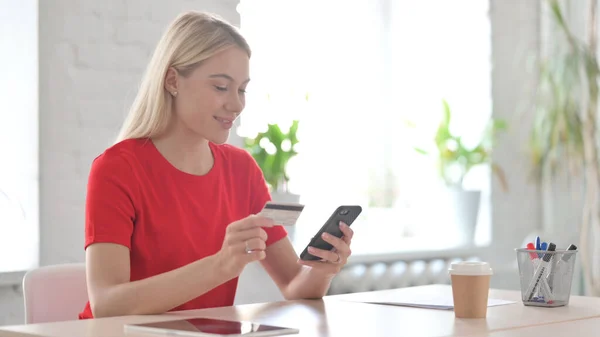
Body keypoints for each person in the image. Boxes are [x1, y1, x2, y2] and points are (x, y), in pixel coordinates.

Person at [79, 11, 354, 319]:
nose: (235, 104)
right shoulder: (117, 169)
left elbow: (293, 284)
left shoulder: (241, 169)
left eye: (241, 89)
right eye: (221, 87)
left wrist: (323, 268)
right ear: (172, 81)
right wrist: (222, 264)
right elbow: (107, 305)